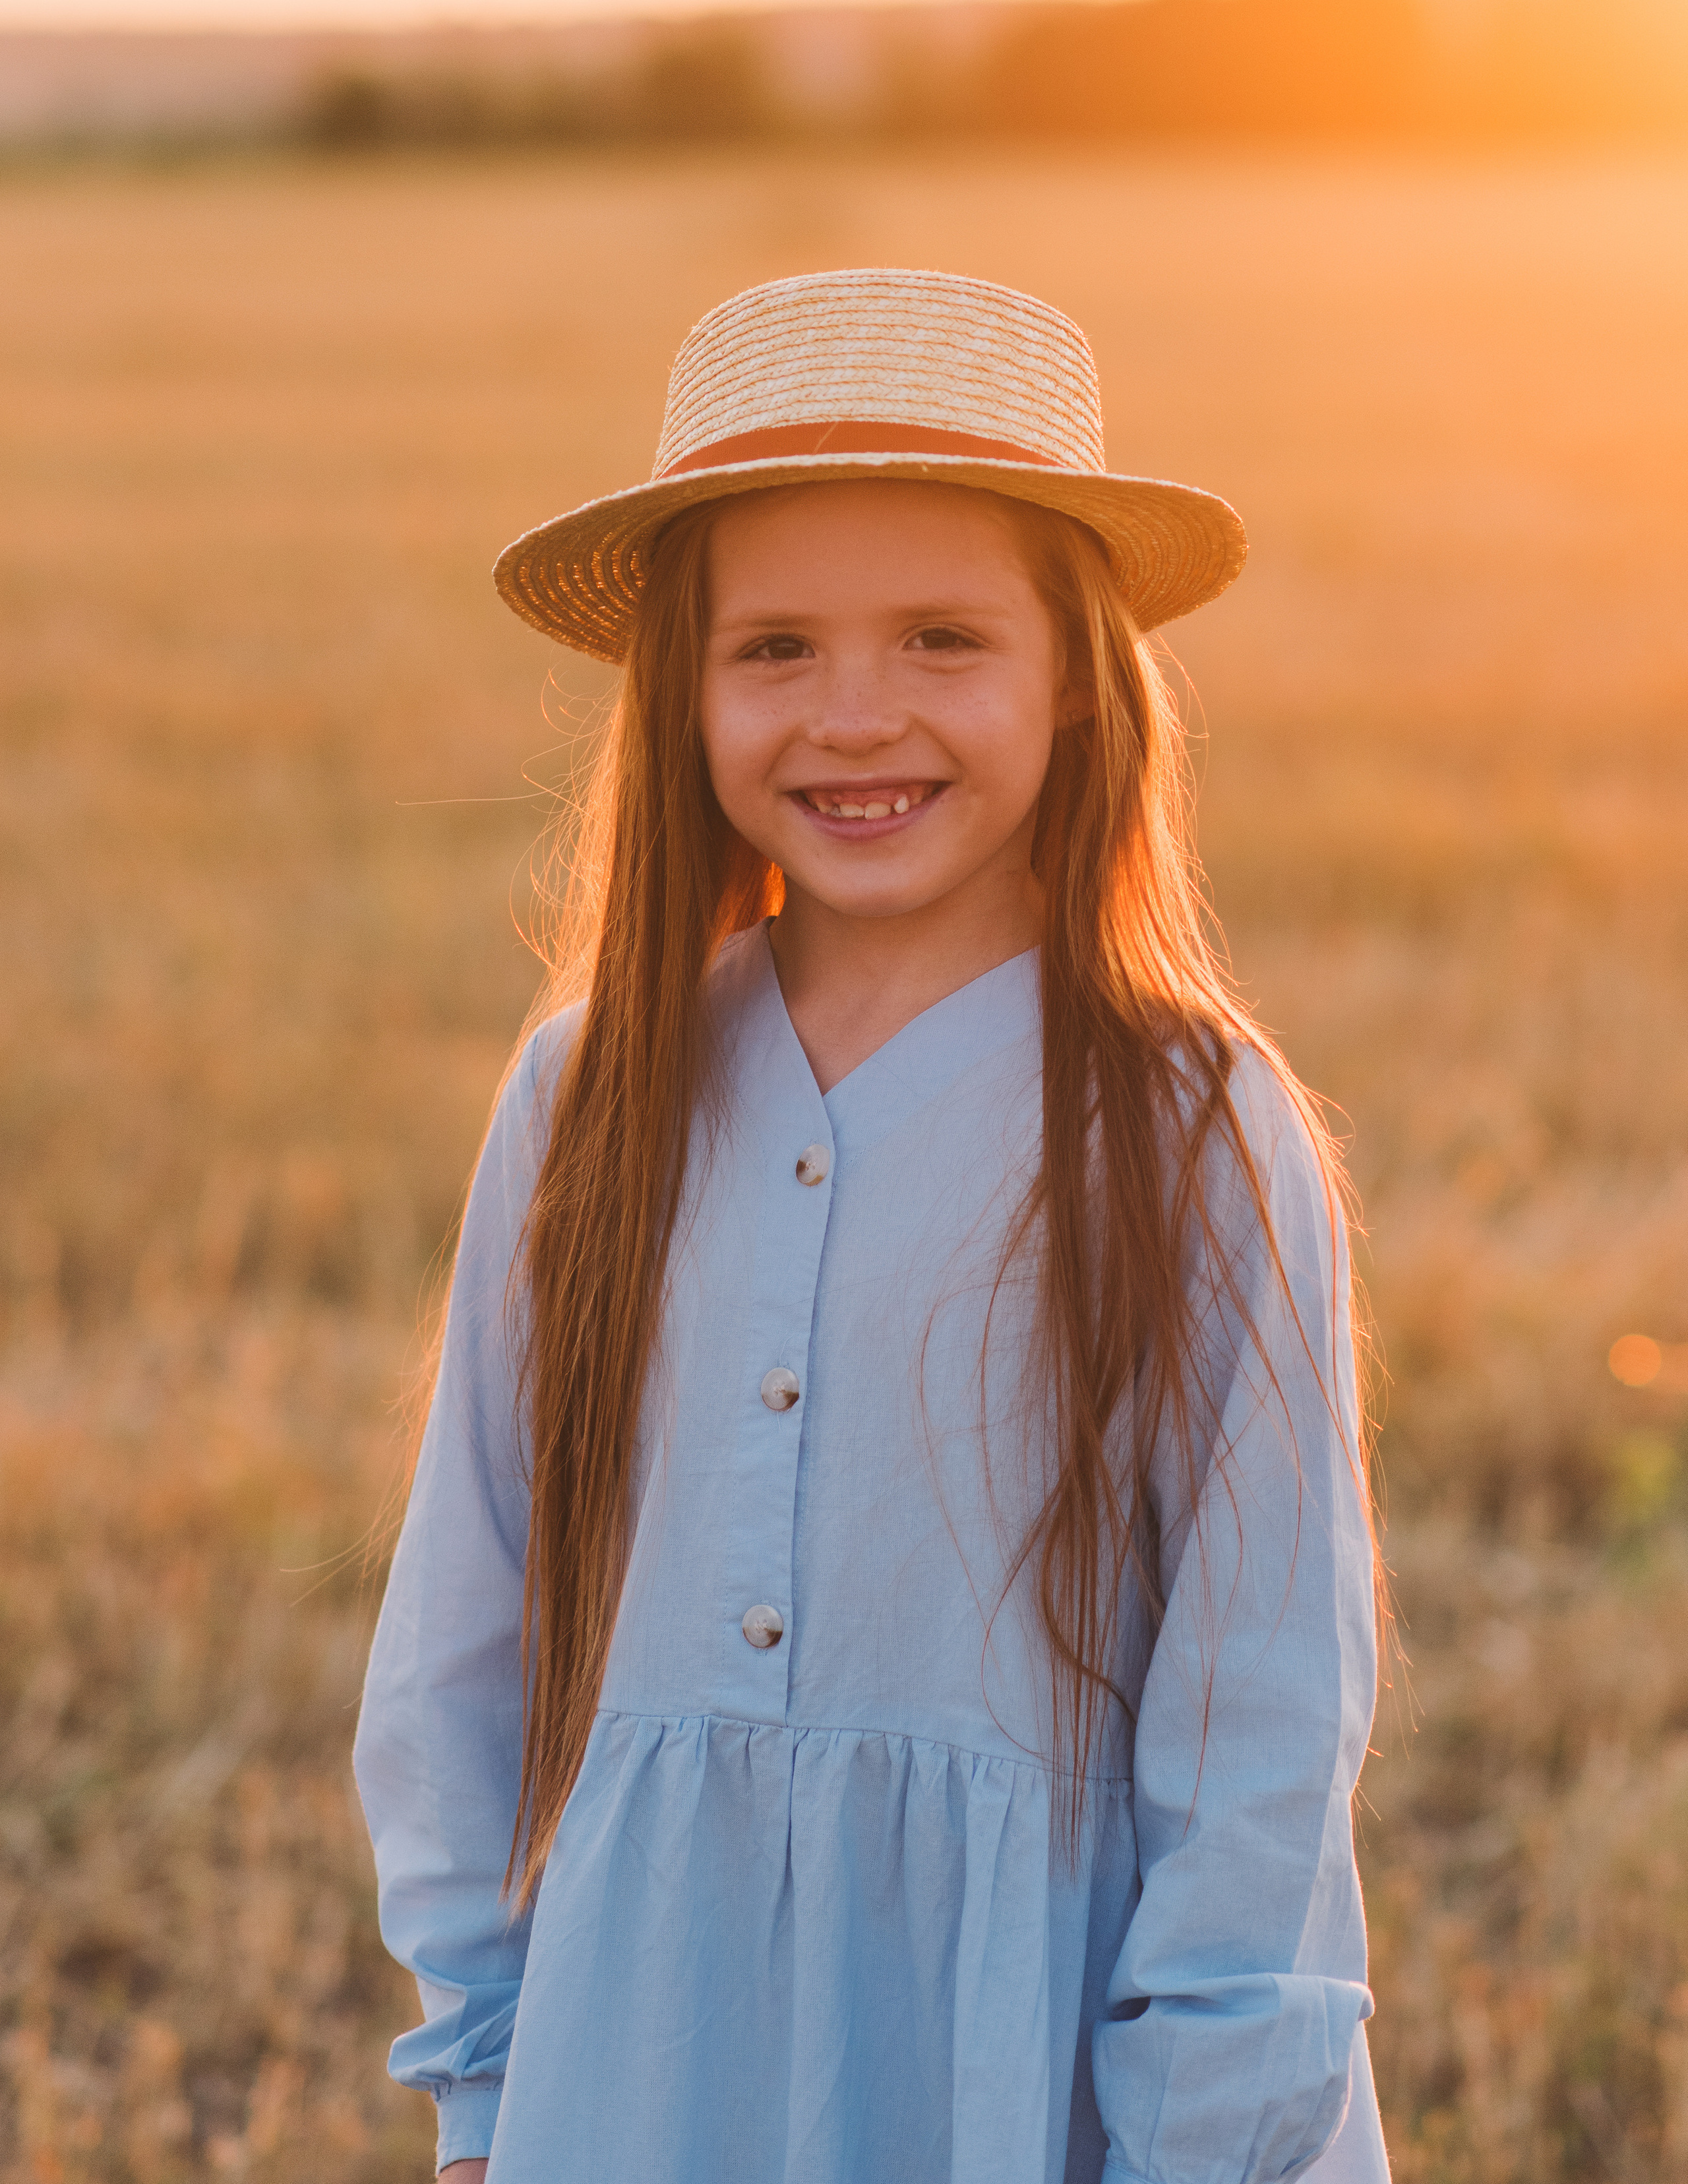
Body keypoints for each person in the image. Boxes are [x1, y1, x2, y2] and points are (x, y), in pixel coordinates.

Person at [353, 267, 1391, 2184]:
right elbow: (458, 1637)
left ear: (1078, 672)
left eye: (939, 637)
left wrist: (1215, 2141)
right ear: (681, 688)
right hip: (644, 2057)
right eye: (774, 650)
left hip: (1028, 2075)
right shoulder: (591, 1093)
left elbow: (1264, 1724)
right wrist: (493, 2079)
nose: (856, 717)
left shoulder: (1191, 1127)